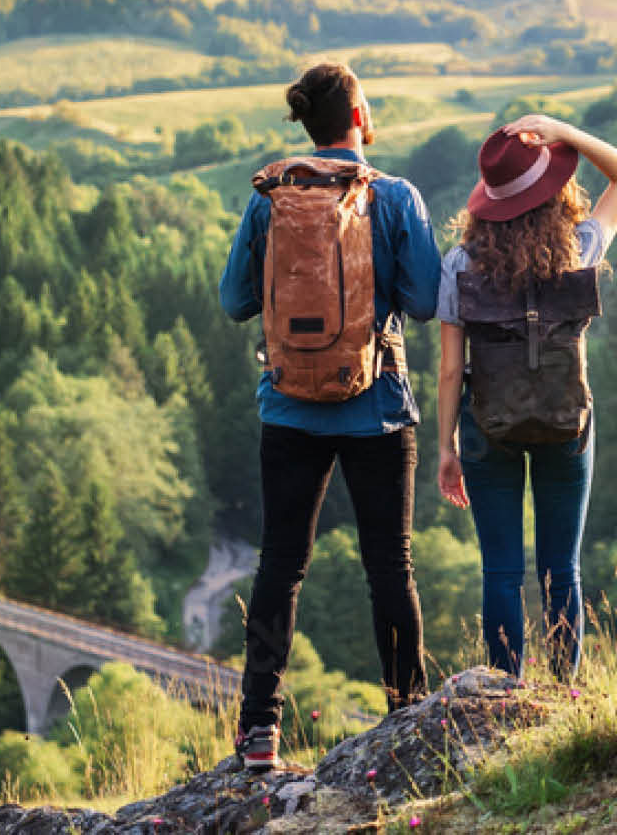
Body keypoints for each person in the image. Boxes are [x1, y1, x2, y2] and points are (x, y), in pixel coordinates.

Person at [218, 62, 442, 772]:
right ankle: (407, 713)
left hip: (288, 406)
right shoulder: (395, 196)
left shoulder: (269, 200)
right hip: (375, 405)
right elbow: (430, 299)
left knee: (280, 563)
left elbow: (234, 301)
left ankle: (259, 730)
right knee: (390, 564)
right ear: (358, 114)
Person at [435, 114, 617, 681]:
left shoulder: (460, 264)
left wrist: (446, 449)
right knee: (561, 568)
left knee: (501, 571)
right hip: (566, 424)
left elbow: (451, 371)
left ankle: (505, 692)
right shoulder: (581, 247)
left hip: (487, 427)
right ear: (554, 193)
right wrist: (564, 132)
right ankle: (566, 689)